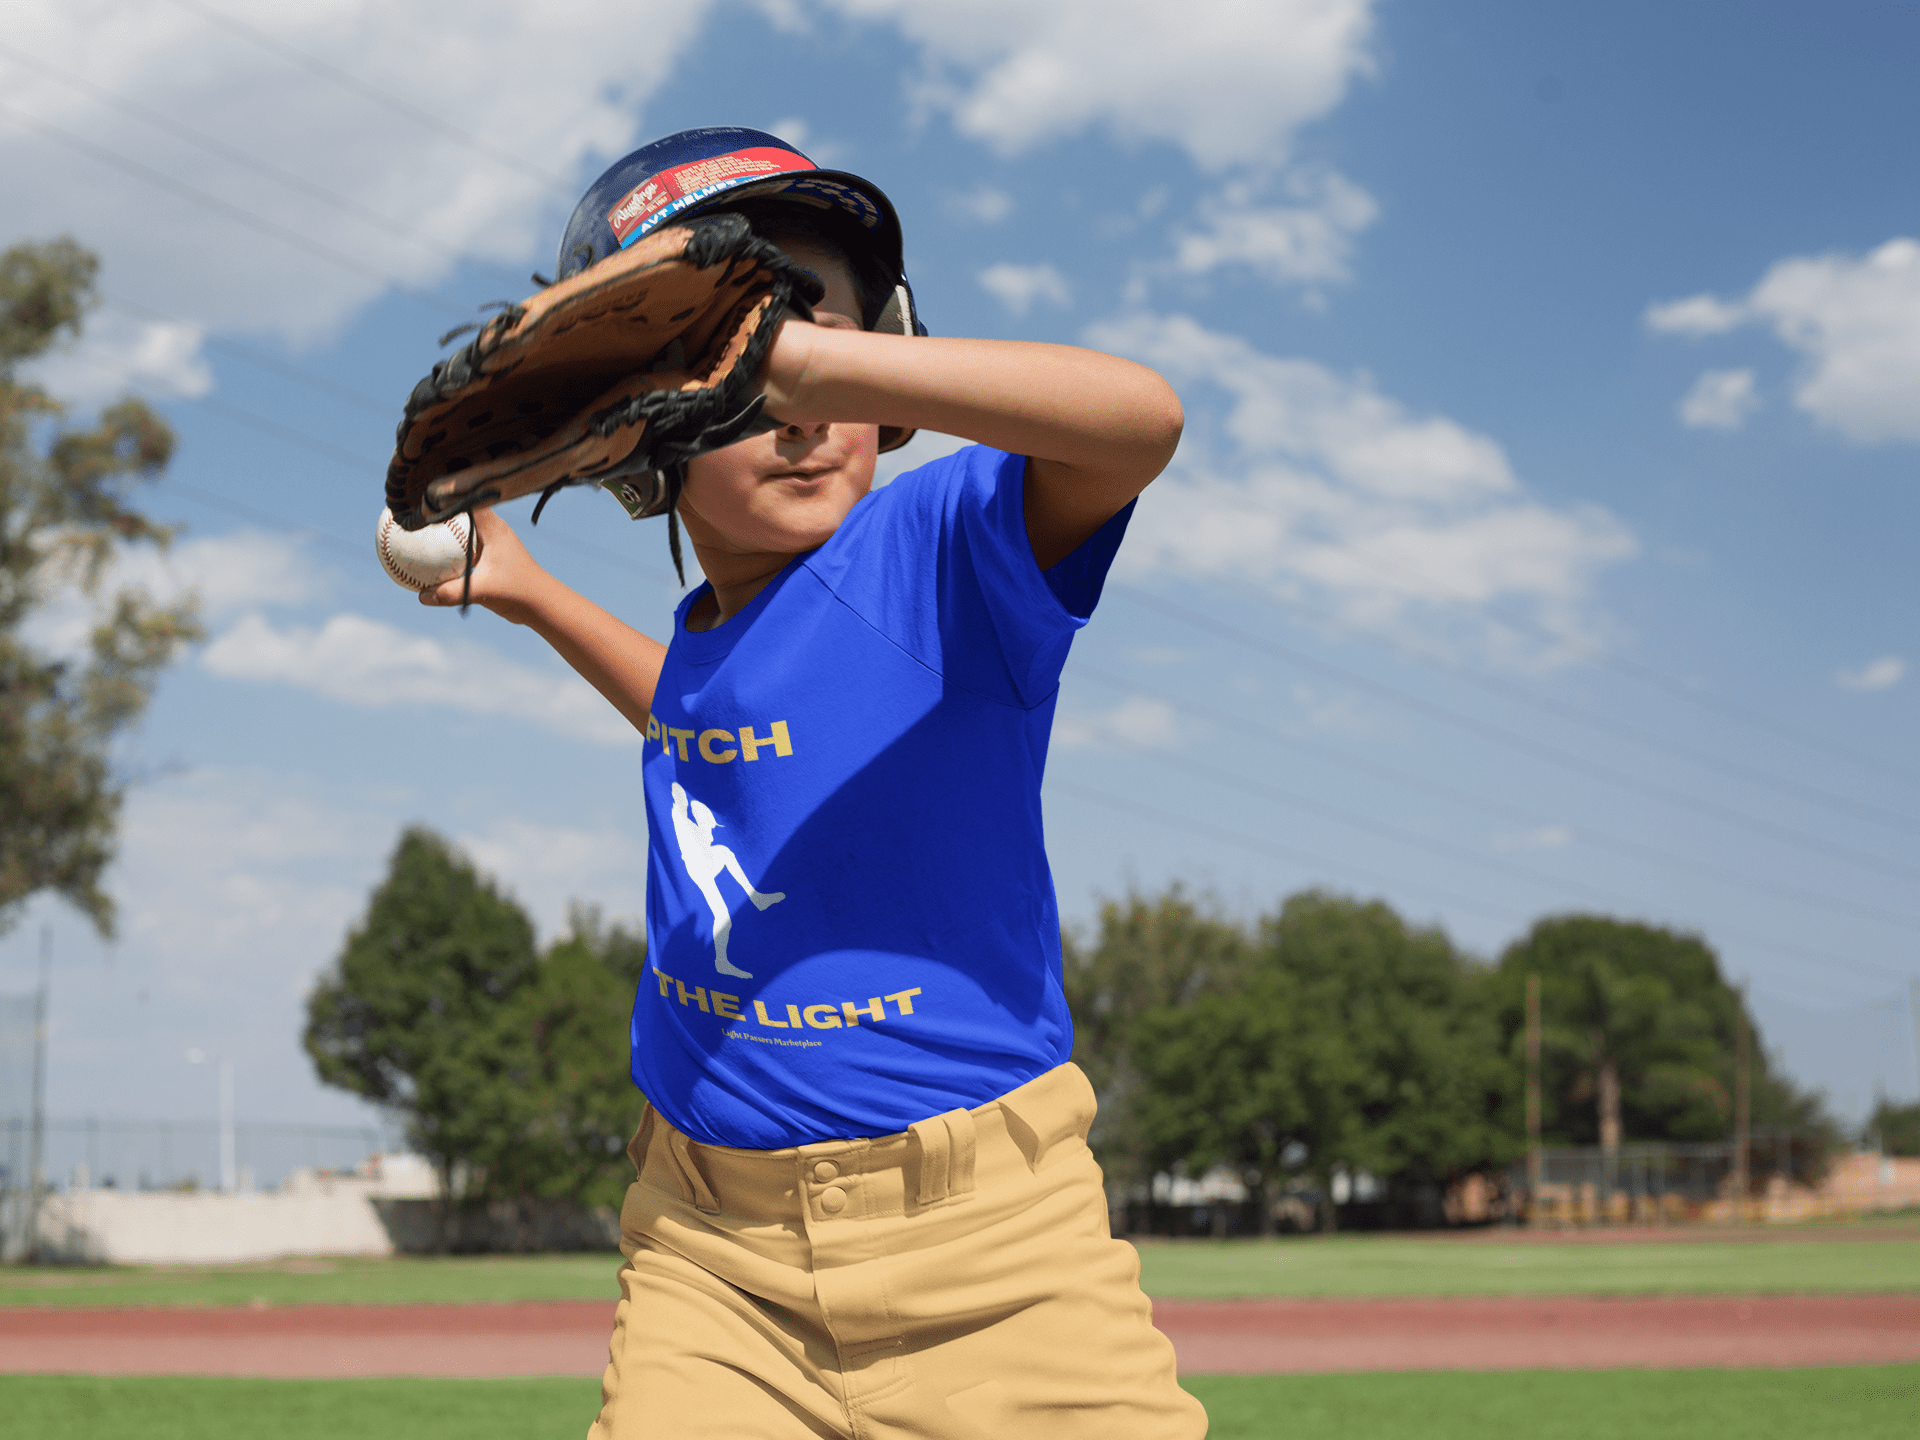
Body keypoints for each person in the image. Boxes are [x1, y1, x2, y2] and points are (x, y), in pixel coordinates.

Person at [421, 127, 1206, 1440]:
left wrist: (775, 356)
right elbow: (696, 728)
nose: (784, 404)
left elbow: (1141, 422)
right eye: (706, 371)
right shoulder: (711, 638)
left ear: (880, 353)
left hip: (993, 1263)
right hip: (711, 1263)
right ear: (635, 439)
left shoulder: (945, 551)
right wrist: (531, 594)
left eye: (800, 328)